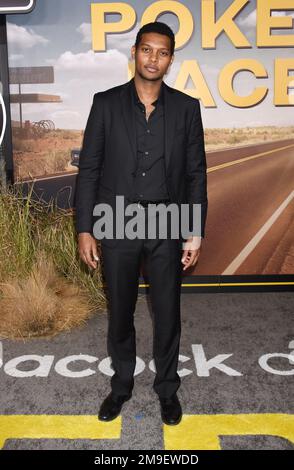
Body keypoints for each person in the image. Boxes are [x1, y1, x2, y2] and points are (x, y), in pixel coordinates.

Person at [75, 21, 208, 426]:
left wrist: (194, 229)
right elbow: (90, 170)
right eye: (147, 50)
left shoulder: (186, 108)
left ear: (171, 59)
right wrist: (85, 228)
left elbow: (196, 174)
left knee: (168, 312)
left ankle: (167, 389)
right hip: (117, 221)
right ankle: (121, 386)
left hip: (167, 220)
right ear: (134, 53)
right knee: (120, 312)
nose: (154, 58)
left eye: (162, 52)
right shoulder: (105, 103)